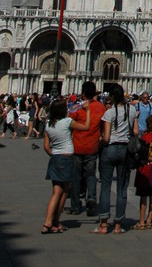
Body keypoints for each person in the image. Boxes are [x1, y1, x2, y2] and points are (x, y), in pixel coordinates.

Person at [93, 83, 138, 235]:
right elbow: (136, 131)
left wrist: (100, 142)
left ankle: (104, 225)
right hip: (125, 150)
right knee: (122, 188)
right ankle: (118, 225)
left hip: (110, 150)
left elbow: (106, 137)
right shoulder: (131, 110)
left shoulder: (109, 113)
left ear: (111, 97)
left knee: (105, 187)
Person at [42, 96, 91, 234]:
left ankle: (47, 222)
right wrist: (87, 111)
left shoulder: (48, 124)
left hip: (55, 159)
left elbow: (46, 147)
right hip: (66, 159)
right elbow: (86, 127)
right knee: (63, 192)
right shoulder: (67, 122)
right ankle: (54, 222)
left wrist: (55, 154)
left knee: (55, 192)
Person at [70, 80, 106, 217]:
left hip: (77, 146)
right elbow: (103, 124)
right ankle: (91, 198)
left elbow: (68, 123)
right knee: (91, 175)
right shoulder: (101, 107)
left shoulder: (76, 108)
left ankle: (75, 205)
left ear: (83, 94)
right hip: (92, 147)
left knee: (76, 176)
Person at [132, 112, 152, 229]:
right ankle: (149, 219)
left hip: (144, 168)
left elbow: (141, 153)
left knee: (143, 196)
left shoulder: (144, 137)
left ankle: (141, 221)